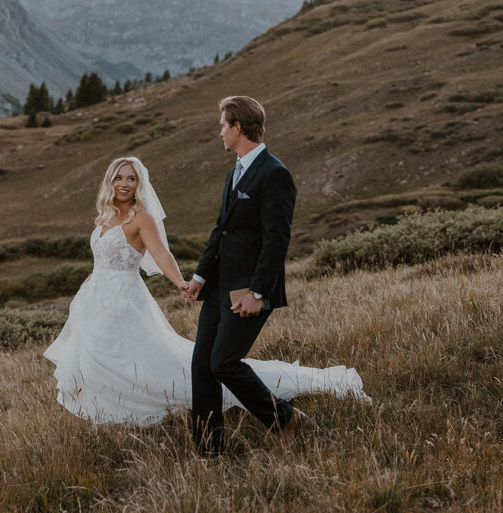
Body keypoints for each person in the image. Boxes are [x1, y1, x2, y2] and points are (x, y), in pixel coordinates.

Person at [44, 155, 369, 435]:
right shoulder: (103, 217)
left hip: (123, 302)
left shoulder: (140, 218)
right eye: (119, 177)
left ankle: (265, 399)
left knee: (147, 363)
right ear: (110, 181)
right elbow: (102, 259)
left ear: (139, 184)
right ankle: (111, 419)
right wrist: (90, 280)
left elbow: (162, 255)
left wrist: (181, 283)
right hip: (94, 300)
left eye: (131, 178)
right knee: (96, 361)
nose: (124, 183)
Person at [183, 96, 319, 455]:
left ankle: (286, 419)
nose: (220, 132)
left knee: (223, 362)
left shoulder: (275, 173)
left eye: (224, 125)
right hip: (218, 287)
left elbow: (277, 240)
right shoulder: (235, 172)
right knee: (202, 367)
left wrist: (257, 292)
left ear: (238, 128)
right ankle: (209, 452)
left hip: (249, 290)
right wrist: (200, 276)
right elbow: (221, 230)